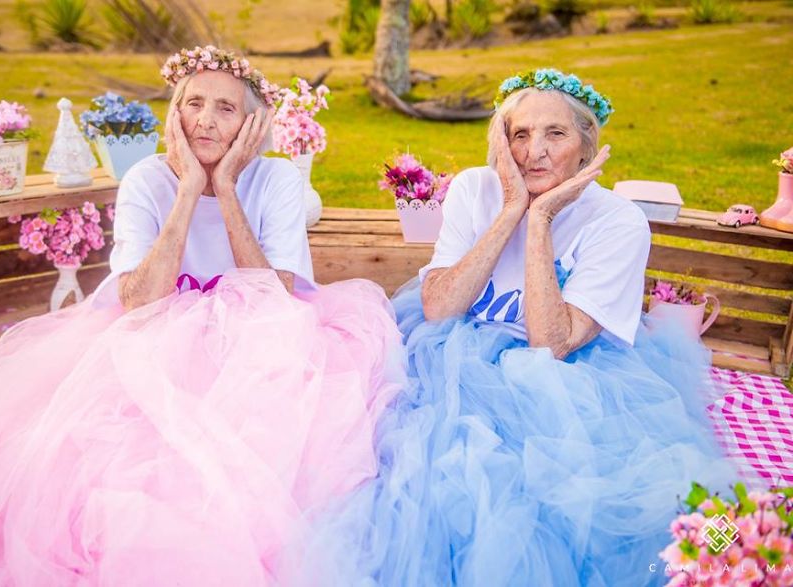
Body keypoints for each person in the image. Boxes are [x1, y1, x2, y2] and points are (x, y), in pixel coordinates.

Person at [0, 46, 404, 586]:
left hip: (258, 338)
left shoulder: (277, 181)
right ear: (173, 114)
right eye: (193, 103)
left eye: (225, 108)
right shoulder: (148, 180)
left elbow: (274, 296)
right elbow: (141, 301)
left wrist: (225, 189)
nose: (205, 120)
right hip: (155, 332)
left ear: (251, 124)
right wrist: (190, 189)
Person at [296, 69, 742, 587]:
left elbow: (550, 345)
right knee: (399, 467)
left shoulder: (618, 221)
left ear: (585, 147)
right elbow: (440, 306)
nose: (535, 152)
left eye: (556, 134)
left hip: (566, 375)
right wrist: (512, 209)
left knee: (554, 498)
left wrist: (541, 219)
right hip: (449, 355)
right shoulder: (474, 188)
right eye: (520, 135)